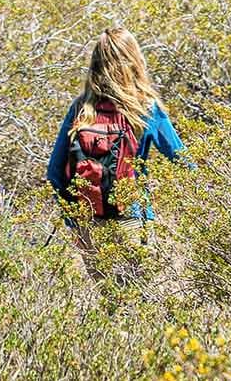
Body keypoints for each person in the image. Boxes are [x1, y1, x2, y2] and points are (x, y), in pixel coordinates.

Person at [45, 27, 186, 282]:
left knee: (111, 300)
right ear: (134, 60)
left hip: (89, 222)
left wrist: (74, 221)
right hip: (133, 217)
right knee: (141, 298)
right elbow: (183, 160)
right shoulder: (146, 108)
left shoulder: (81, 108)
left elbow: (54, 173)